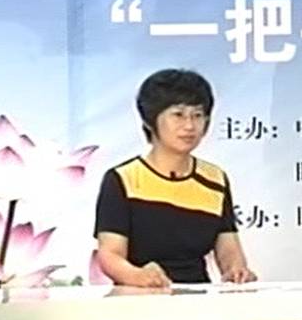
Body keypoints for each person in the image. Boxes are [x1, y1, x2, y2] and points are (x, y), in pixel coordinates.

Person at [95, 68, 256, 287]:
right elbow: (110, 255)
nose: (189, 126)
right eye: (178, 115)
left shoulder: (215, 179)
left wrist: (236, 271)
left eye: (197, 115)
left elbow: (228, 247)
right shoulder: (123, 179)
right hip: (138, 297)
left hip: (199, 297)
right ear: (150, 120)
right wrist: (138, 276)